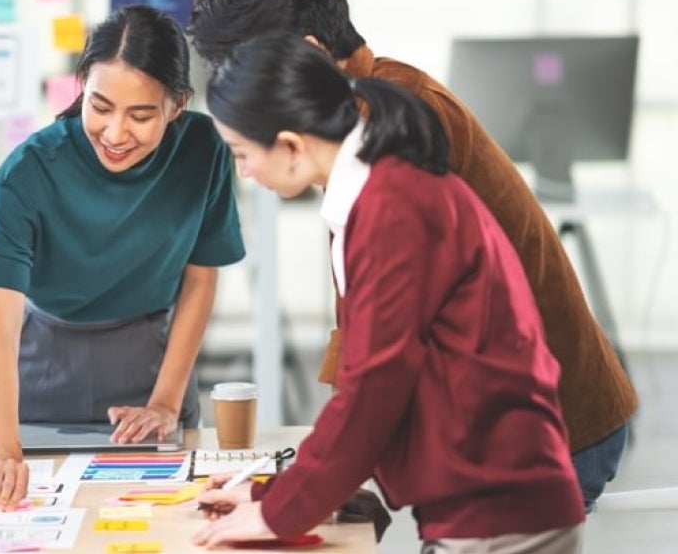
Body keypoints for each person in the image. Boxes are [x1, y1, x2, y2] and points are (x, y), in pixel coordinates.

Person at [188, 0, 636, 513]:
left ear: (306, 55)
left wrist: (304, 487)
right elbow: (367, 336)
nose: (242, 158)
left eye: (247, 75)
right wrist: (311, 474)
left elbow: (386, 359)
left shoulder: (393, 132)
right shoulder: (361, 117)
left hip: (543, 428)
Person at [193, 32, 585, 553]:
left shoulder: (390, 205)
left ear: (289, 145)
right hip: (485, 498)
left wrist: (279, 512)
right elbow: (372, 378)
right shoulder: (382, 189)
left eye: (242, 153)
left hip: (494, 509)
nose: (243, 171)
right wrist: (274, 495)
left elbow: (375, 382)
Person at [0, 5, 245, 510]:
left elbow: (200, 278)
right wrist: (4, 449)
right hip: (39, 374)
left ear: (177, 104)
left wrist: (165, 401)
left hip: (151, 368)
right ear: (81, 85)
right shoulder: (27, 171)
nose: (116, 133)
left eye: (141, 115)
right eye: (100, 106)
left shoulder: (204, 149)